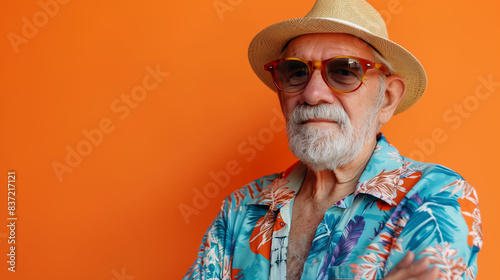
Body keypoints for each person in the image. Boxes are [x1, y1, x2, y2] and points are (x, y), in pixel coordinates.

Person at [184, 0, 482, 279]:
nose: (312, 94)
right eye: (296, 71)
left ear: (387, 99)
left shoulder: (434, 197)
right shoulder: (242, 207)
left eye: (344, 71)